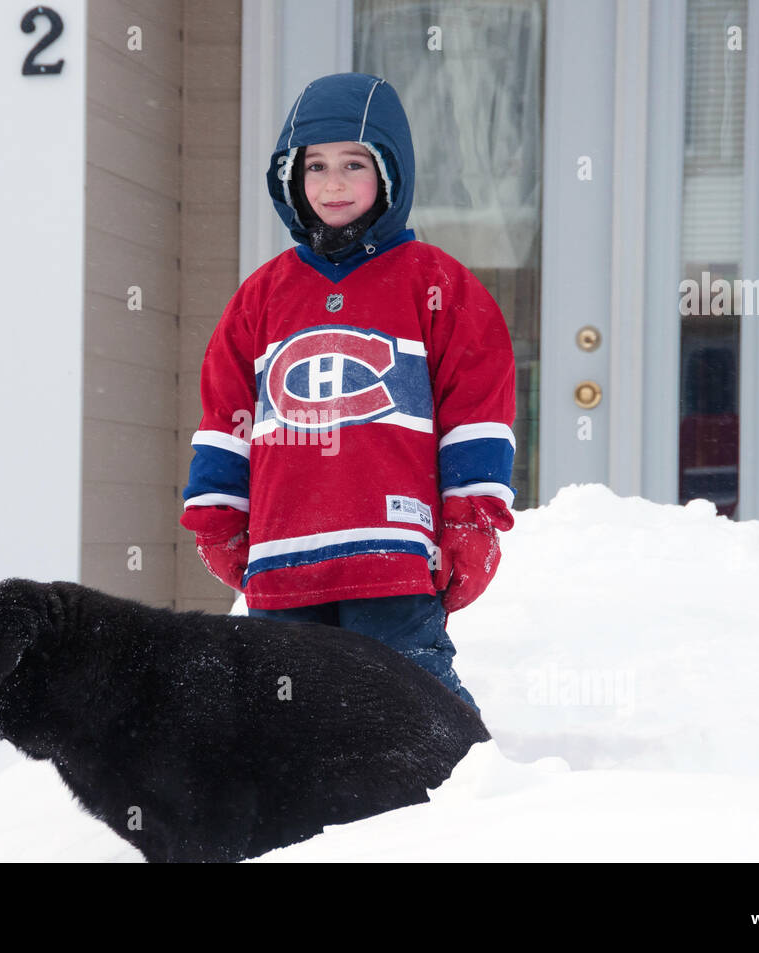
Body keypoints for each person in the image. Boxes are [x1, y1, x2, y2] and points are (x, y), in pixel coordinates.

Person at [179, 72, 517, 713]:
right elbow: (227, 416)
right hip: (283, 565)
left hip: (392, 560)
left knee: (419, 720)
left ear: (390, 172)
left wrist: (469, 525)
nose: (332, 184)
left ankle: (474, 813)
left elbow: (476, 419)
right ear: (292, 176)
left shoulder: (438, 286)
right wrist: (219, 522)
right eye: (316, 166)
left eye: (354, 164)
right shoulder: (262, 295)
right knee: (278, 734)